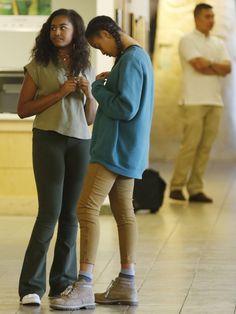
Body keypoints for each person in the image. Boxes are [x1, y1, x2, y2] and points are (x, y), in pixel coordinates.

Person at [50, 15, 154, 311]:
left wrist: (97, 89)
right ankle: (126, 283)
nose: (103, 51)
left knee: (85, 208)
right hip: (128, 150)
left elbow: (126, 107)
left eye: (100, 44)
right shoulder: (134, 58)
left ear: (109, 32)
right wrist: (111, 81)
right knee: (124, 213)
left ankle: (83, 284)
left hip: (113, 150)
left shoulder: (132, 59)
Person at [17, 8, 96, 306]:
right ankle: (30, 286)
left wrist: (89, 94)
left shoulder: (86, 65)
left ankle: (63, 283)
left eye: (63, 27)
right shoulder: (38, 64)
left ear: (76, 31)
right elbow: (23, 109)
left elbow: (89, 118)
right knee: (49, 213)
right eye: (52, 28)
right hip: (48, 140)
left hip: (80, 143)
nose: (57, 32)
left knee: (71, 216)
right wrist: (61, 92)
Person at [169, 3, 231, 203]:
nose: (211, 20)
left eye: (213, 16)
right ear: (196, 18)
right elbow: (198, 65)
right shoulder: (187, 40)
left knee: (205, 147)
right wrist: (215, 66)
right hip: (193, 101)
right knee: (190, 145)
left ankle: (195, 189)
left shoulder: (218, 43)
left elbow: (227, 68)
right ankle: (177, 186)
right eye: (207, 16)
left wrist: (210, 64)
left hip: (215, 101)